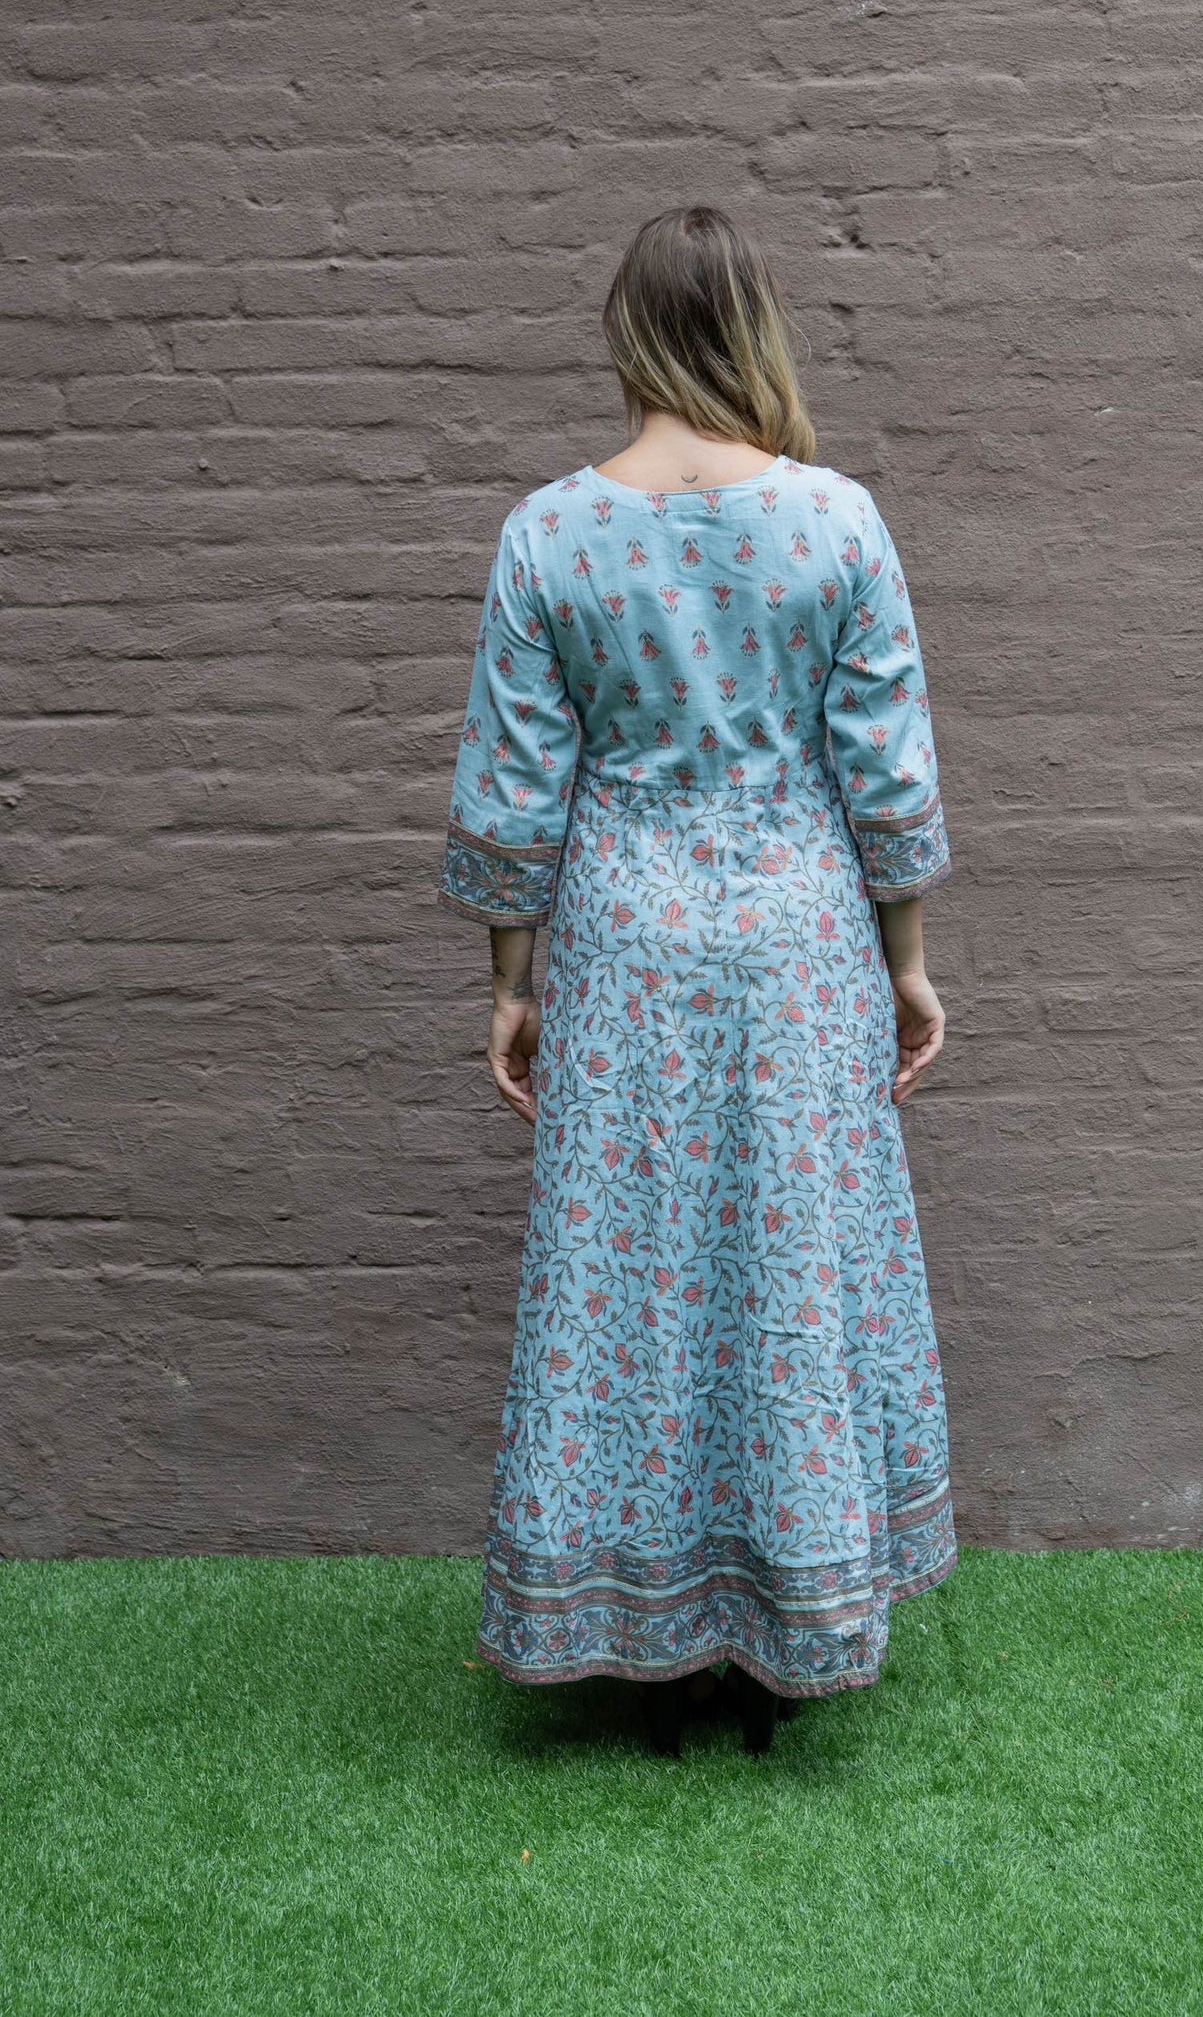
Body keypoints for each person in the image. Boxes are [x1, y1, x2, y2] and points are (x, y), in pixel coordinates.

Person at [434, 204, 956, 1757]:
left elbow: (515, 786)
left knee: (631, 1275)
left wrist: (512, 982)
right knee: (790, 1267)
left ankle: (644, 1638)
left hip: (627, 938)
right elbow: (885, 771)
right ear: (753, 328)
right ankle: (786, 1620)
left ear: (628, 336)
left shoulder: (551, 535)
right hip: (801, 939)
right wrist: (908, 962)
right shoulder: (836, 523)